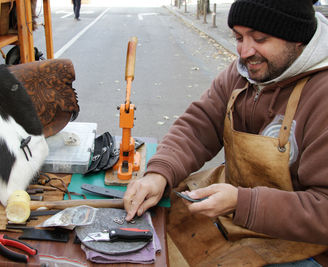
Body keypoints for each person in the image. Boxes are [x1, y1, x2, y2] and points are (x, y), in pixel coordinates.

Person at [124, 0, 328, 265]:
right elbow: (199, 125)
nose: (244, 52)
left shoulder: (322, 95)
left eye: (260, 38)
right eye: (238, 37)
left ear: (297, 38)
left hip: (301, 243)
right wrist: (159, 173)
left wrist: (242, 203)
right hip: (235, 211)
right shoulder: (244, 72)